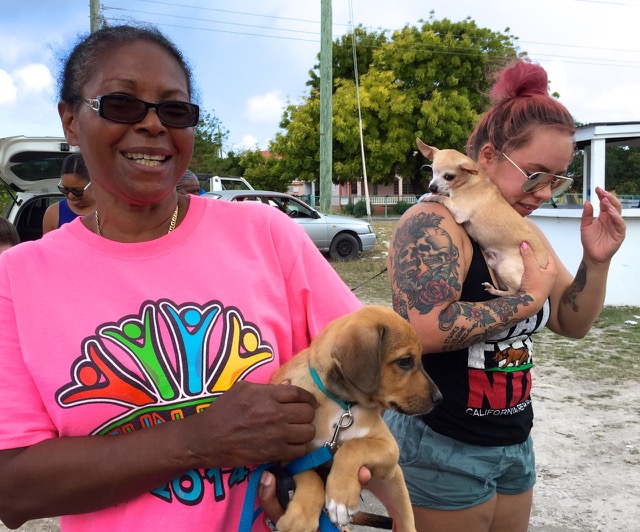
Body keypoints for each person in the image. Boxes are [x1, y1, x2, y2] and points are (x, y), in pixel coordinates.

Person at [0, 24, 365, 531]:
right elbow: (12, 488)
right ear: (69, 120)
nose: (153, 125)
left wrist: (315, 479)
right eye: (121, 103)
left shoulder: (267, 235)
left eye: (175, 110)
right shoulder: (17, 280)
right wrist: (200, 439)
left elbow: (367, 374)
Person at [384, 60, 626, 532]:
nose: (545, 192)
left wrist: (596, 261)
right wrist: (527, 299)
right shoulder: (434, 222)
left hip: (513, 441)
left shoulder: (519, 230)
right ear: (488, 158)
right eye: (536, 174)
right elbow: (421, 330)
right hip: (442, 444)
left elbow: (572, 324)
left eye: (558, 180)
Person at [42, 152, 95, 234]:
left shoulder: (110, 211)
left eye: (77, 191)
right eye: (65, 189)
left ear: (93, 183)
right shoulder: (53, 213)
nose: (70, 196)